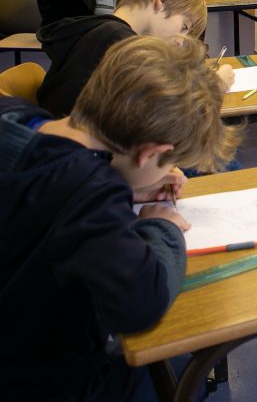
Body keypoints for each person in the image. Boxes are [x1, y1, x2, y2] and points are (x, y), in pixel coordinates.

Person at [0, 34, 241, 400]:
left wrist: (127, 190)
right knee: (182, 370)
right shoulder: (90, 195)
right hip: (42, 379)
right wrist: (162, 227)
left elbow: (45, 201)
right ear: (148, 154)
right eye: (169, 162)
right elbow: (141, 304)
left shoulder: (18, 118)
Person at [36, 0, 219, 118]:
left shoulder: (100, 31)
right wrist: (214, 86)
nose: (180, 41)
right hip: (85, 145)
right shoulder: (120, 41)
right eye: (184, 27)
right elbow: (160, 108)